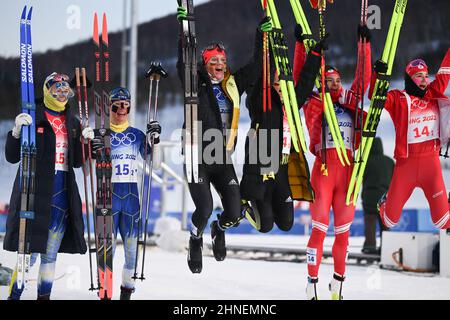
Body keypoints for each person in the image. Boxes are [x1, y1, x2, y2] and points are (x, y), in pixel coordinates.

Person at [176, 6, 269, 273]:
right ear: (205, 65)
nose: (218, 67)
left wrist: (260, 36)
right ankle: (196, 238)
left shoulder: (233, 83)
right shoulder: (195, 83)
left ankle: (218, 228)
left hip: (222, 156)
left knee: (234, 213)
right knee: (203, 208)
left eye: (222, 62)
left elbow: (255, 68)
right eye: (213, 62)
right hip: (197, 157)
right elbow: (184, 63)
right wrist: (183, 33)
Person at [293, 24, 372, 300]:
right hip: (325, 170)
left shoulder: (350, 101)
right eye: (329, 81)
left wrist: (365, 46)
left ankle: (338, 284)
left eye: (337, 80)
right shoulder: (315, 101)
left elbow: (363, 81)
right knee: (319, 228)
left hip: (349, 171)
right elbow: (299, 78)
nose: (334, 84)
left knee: (343, 233)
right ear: (322, 83)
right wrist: (302, 46)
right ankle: (311, 282)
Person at [5, 72, 87, 300]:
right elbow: (12, 157)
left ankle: (44, 296)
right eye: (57, 90)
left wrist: (84, 141)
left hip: (62, 193)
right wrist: (16, 132)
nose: (62, 94)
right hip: (35, 191)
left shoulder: (72, 122)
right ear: (47, 91)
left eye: (65, 90)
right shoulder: (33, 117)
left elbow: (78, 162)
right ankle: (14, 295)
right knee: (27, 254)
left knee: (50, 256)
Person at [240, 25, 327, 233]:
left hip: (283, 167)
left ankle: (264, 206)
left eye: (282, 84)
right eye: (276, 84)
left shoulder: (289, 101)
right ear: (270, 84)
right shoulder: (259, 100)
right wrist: (263, 38)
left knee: (287, 223)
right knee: (265, 226)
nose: (280, 88)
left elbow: (305, 84)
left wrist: (315, 54)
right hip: (263, 166)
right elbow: (262, 70)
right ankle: (245, 208)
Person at [86, 87, 161, 300]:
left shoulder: (137, 135)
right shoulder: (100, 133)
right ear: (109, 107)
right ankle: (105, 293)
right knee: (106, 250)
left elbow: (155, 164)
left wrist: (155, 141)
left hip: (130, 198)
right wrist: (88, 148)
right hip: (106, 197)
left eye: (126, 106)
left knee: (131, 252)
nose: (121, 110)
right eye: (117, 105)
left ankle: (126, 293)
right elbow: (84, 167)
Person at [375, 49, 450, 232]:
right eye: (419, 76)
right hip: (405, 166)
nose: (425, 80)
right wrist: (378, 76)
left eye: (426, 75)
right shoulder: (398, 98)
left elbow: (446, 68)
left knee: (443, 222)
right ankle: (383, 201)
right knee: (389, 221)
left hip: (430, 165)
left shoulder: (434, 92)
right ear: (409, 78)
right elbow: (375, 96)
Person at [361, 137, 394, 254]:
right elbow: (394, 181)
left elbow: (360, 179)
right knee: (384, 225)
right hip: (384, 198)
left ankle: (370, 246)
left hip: (369, 197)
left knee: (370, 223)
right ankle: (386, 248)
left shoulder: (365, 161)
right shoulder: (389, 162)